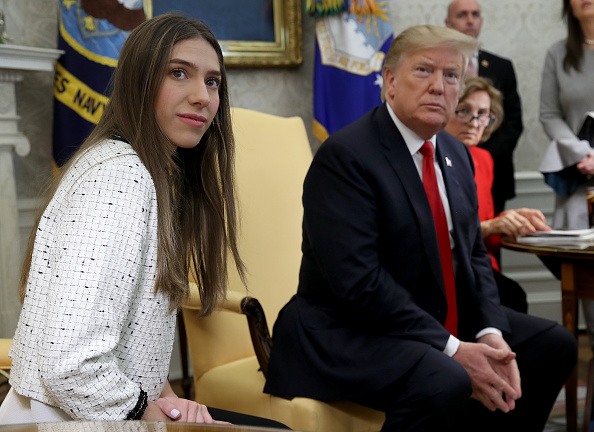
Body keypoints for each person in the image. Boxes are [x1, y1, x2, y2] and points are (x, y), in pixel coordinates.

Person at [264, 25, 576, 432]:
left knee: (553, 345)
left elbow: (474, 255)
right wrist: (453, 349)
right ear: (390, 82)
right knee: (446, 376)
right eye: (424, 71)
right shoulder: (346, 157)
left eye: (451, 76)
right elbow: (359, 284)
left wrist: (490, 332)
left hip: (430, 316)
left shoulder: (456, 153)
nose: (438, 86)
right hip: (348, 330)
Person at [0, 14, 285, 428]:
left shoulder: (143, 171)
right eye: (179, 73)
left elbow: (127, 342)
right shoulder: (120, 177)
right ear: (139, 81)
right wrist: (155, 415)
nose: (202, 96)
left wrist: (170, 400)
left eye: (212, 81)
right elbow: (70, 364)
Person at [444, 77, 552, 313]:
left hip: (481, 266)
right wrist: (493, 225)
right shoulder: (431, 158)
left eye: (483, 113)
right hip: (447, 268)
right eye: (464, 111)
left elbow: (484, 238)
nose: (475, 122)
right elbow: (441, 236)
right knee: (513, 299)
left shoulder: (484, 159)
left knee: (514, 297)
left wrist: (510, 221)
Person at [539, 0, 594, 349]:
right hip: (579, 182)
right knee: (587, 285)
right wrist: (583, 153)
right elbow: (549, 114)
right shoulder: (558, 54)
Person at [445, 0, 523, 220]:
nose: (470, 20)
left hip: (494, 168)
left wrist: (481, 152)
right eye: (462, 15)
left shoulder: (502, 66)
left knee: (492, 239)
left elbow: (512, 122)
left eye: (475, 14)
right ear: (448, 23)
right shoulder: (441, 67)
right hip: (448, 158)